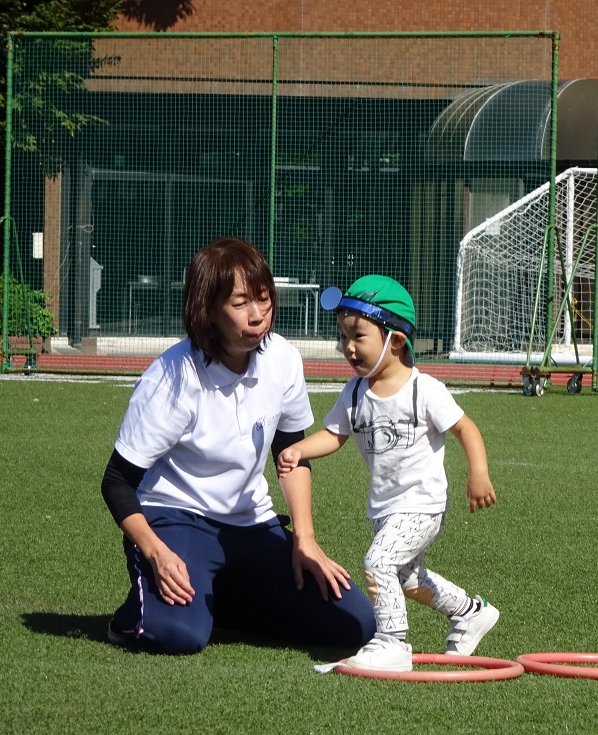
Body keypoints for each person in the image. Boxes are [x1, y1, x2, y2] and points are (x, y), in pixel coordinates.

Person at [100, 237, 376, 655]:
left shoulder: (283, 358)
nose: (258, 315)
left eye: (264, 299)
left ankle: (221, 599)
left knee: (354, 624)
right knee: (178, 635)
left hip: (252, 525)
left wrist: (304, 539)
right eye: (240, 303)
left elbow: (292, 454)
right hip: (176, 518)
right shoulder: (171, 377)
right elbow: (117, 481)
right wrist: (156, 553)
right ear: (207, 310)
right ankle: (140, 614)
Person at [277, 275, 498, 672]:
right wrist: (298, 449)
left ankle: (392, 642)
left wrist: (477, 474)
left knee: (378, 562)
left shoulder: (423, 389)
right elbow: (335, 435)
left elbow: (465, 428)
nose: (348, 347)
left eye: (358, 336)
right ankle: (469, 612)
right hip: (384, 508)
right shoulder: (355, 391)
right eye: (343, 336)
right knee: (408, 580)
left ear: (395, 340)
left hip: (422, 504)